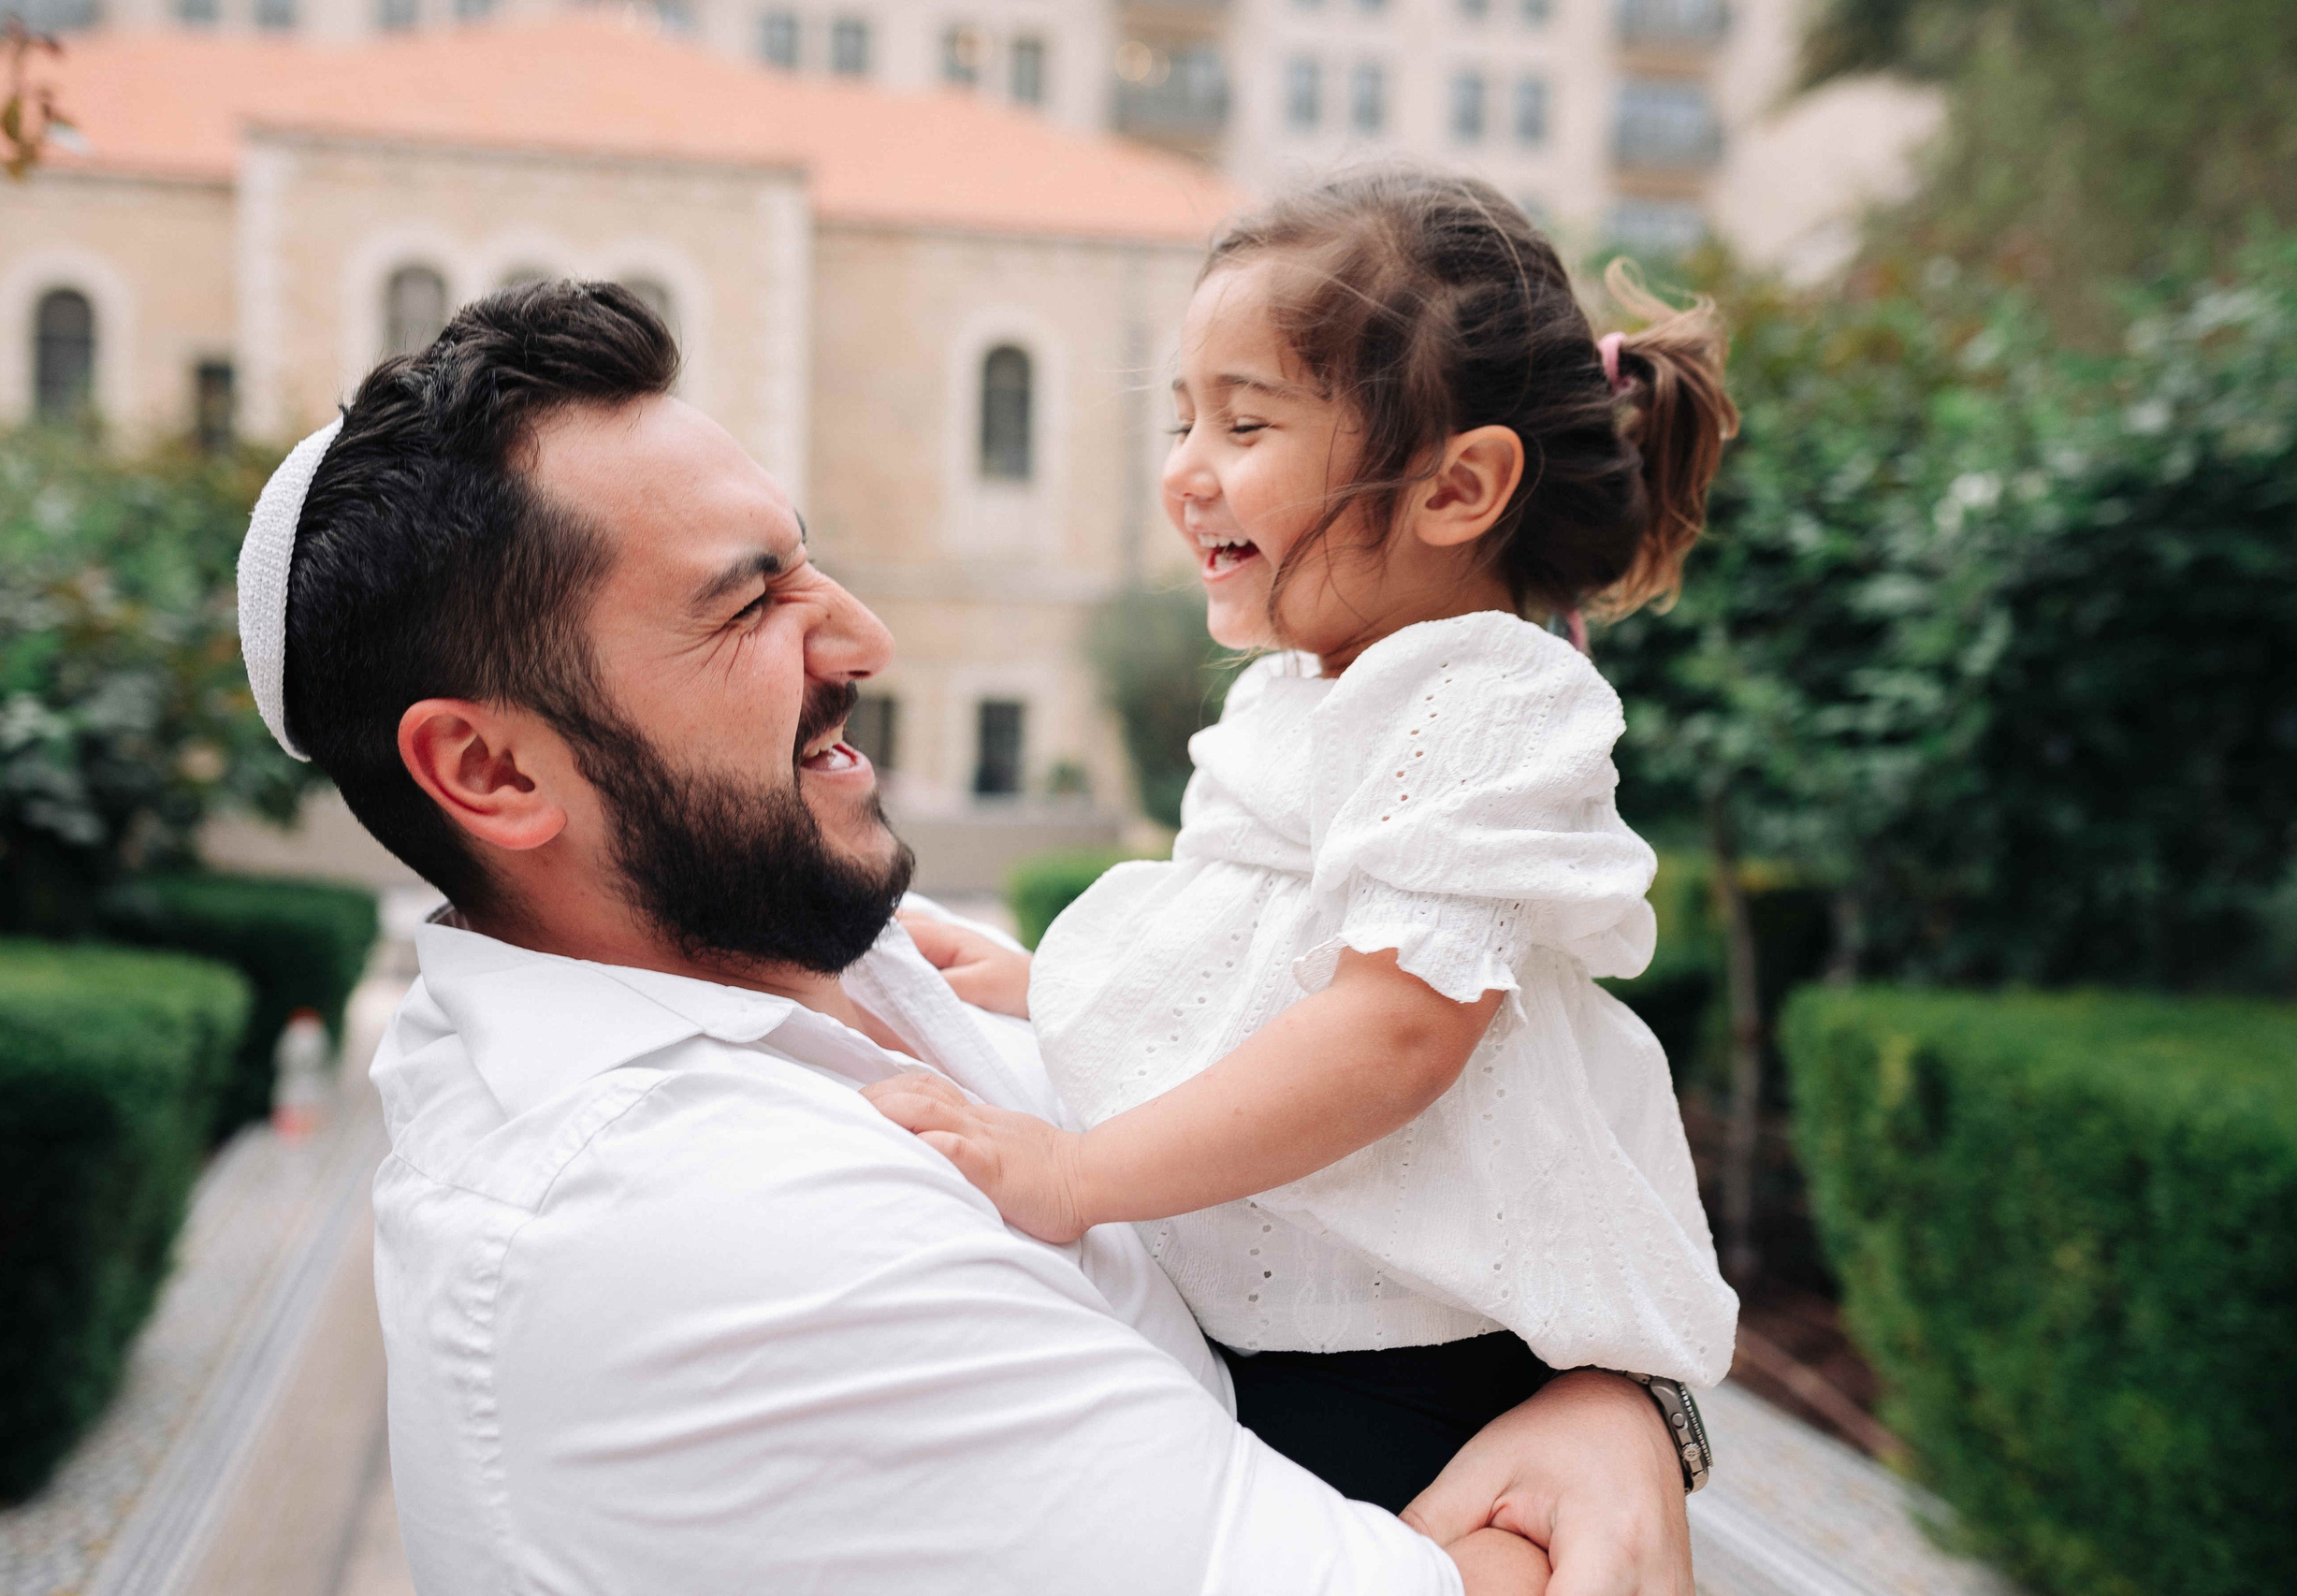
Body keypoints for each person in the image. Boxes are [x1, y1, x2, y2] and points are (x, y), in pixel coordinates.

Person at [236, 276, 1699, 1595]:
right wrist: (1607, 1432)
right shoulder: (704, 1228)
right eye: (751, 603)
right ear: (491, 771)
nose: (862, 637)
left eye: (809, 562)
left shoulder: (797, 936)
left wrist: (1624, 1393)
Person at [871, 167, 1742, 1512]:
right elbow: (1247, 956)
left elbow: (1391, 1031)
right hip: (1288, 1330)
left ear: (1460, 488)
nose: (1183, 472)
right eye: (1181, 418)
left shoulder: (1486, 694)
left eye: (1246, 420)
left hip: (1402, 1366)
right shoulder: (1306, 689)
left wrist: (1075, 1174)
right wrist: (1051, 982)